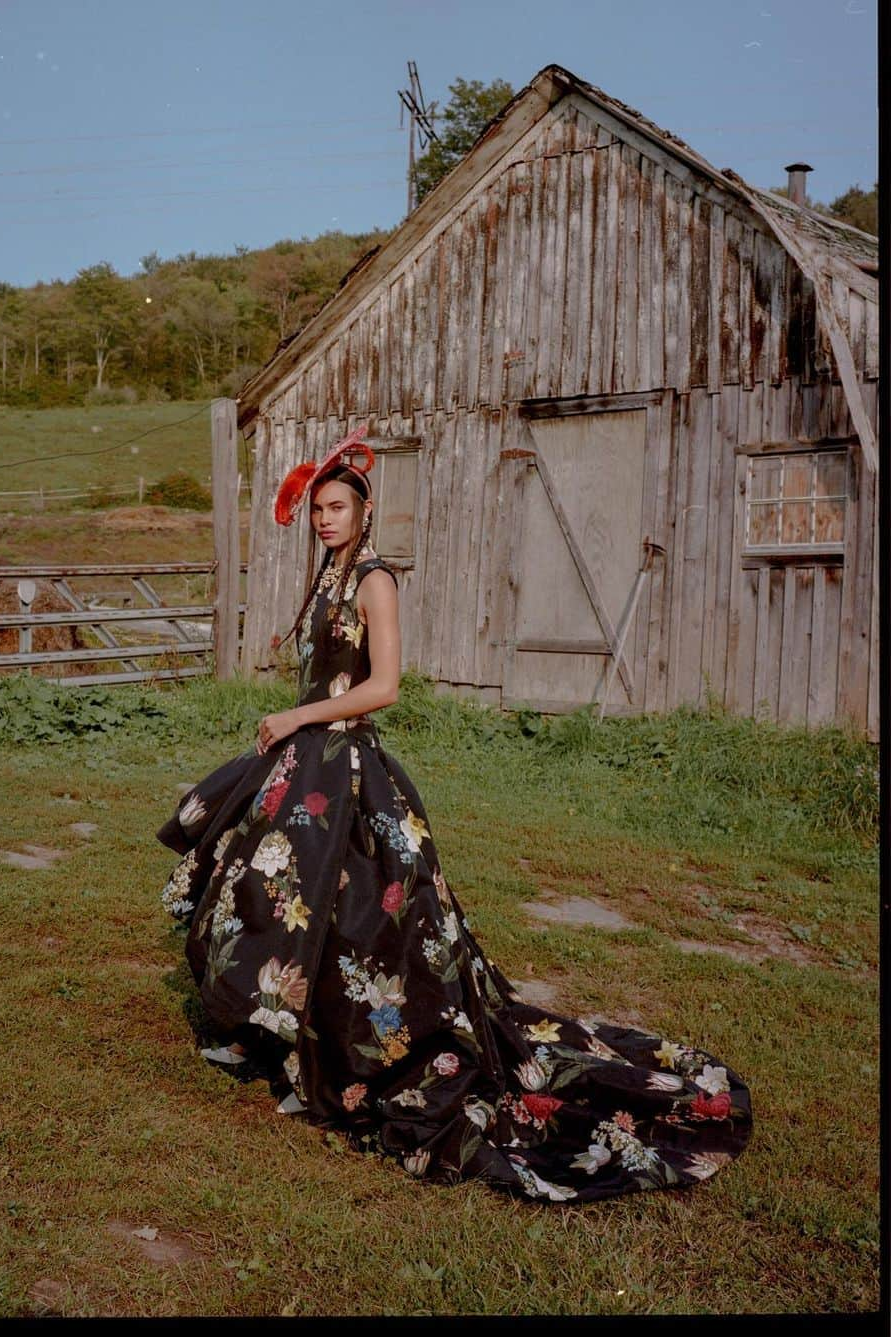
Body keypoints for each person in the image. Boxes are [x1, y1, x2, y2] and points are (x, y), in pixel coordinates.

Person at [156, 425, 753, 1204]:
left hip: (346, 766)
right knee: (264, 894)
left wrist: (297, 718)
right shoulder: (330, 576)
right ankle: (263, 1032)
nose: (326, 519)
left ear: (365, 513)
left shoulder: (375, 580)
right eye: (318, 509)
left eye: (338, 507)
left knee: (356, 921)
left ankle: (332, 1061)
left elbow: (385, 686)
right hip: (305, 765)